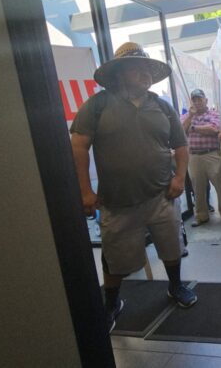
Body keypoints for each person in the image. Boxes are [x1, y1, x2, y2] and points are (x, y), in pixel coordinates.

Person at [70, 42, 198, 334]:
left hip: (162, 195)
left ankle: (176, 287)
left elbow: (180, 145)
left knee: (171, 245)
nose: (146, 74)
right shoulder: (98, 105)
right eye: (138, 68)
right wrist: (84, 191)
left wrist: (179, 178)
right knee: (115, 257)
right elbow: (78, 146)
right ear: (119, 74)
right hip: (117, 201)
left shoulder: (161, 106)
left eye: (148, 69)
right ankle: (112, 302)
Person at [181, 88, 221, 225]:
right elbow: (181, 130)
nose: (197, 102)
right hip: (194, 156)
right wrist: (191, 118)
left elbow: (213, 129)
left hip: (211, 154)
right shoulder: (187, 116)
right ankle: (201, 215)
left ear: (206, 100)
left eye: (199, 99)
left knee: (220, 186)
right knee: (197, 188)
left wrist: (192, 128)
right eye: (194, 99)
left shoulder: (214, 114)